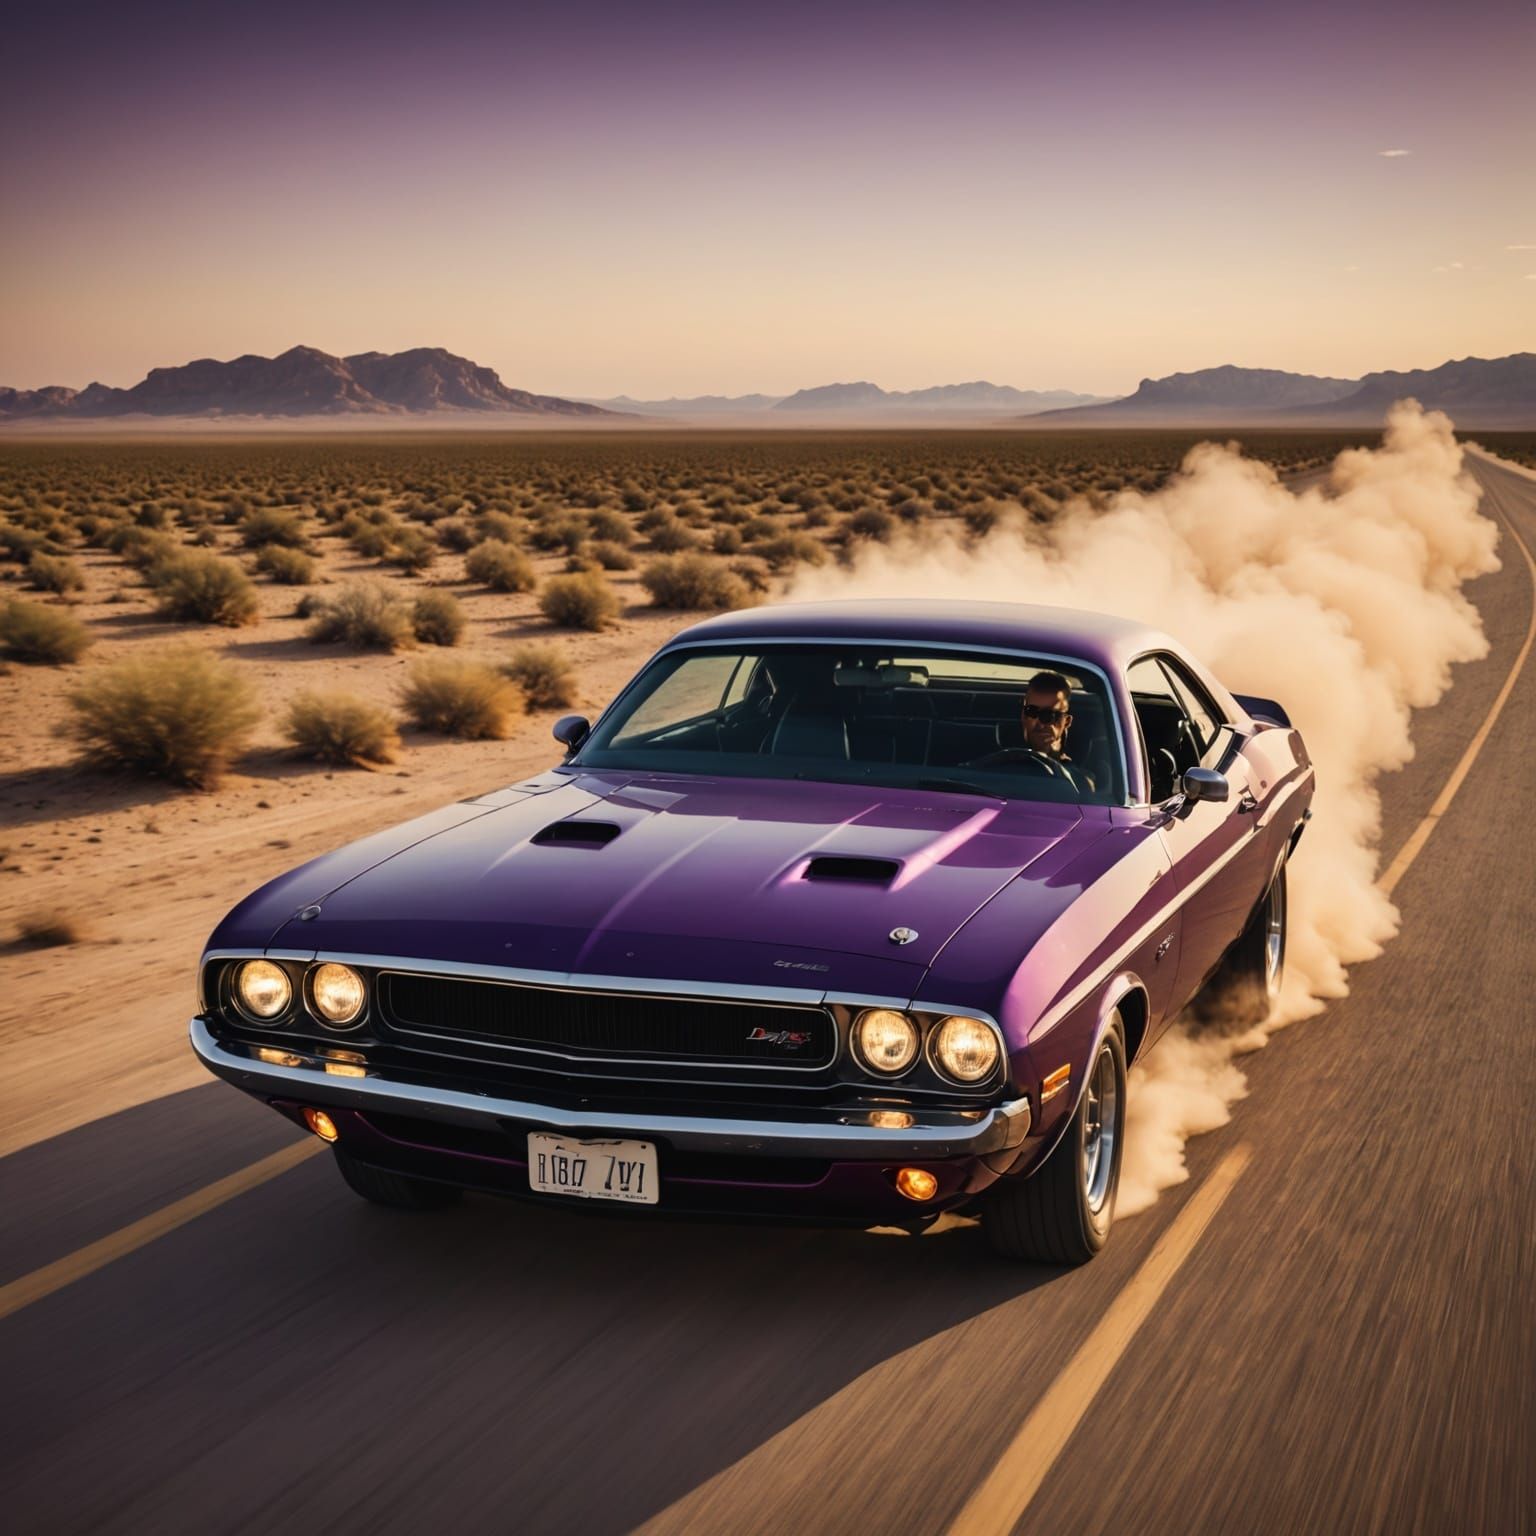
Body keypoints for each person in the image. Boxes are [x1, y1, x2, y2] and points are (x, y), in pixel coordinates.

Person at [967, 669, 1095, 792]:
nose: (1040, 722)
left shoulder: (1080, 779)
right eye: (1032, 712)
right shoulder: (990, 762)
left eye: (1050, 715)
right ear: (1023, 715)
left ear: (1066, 721)